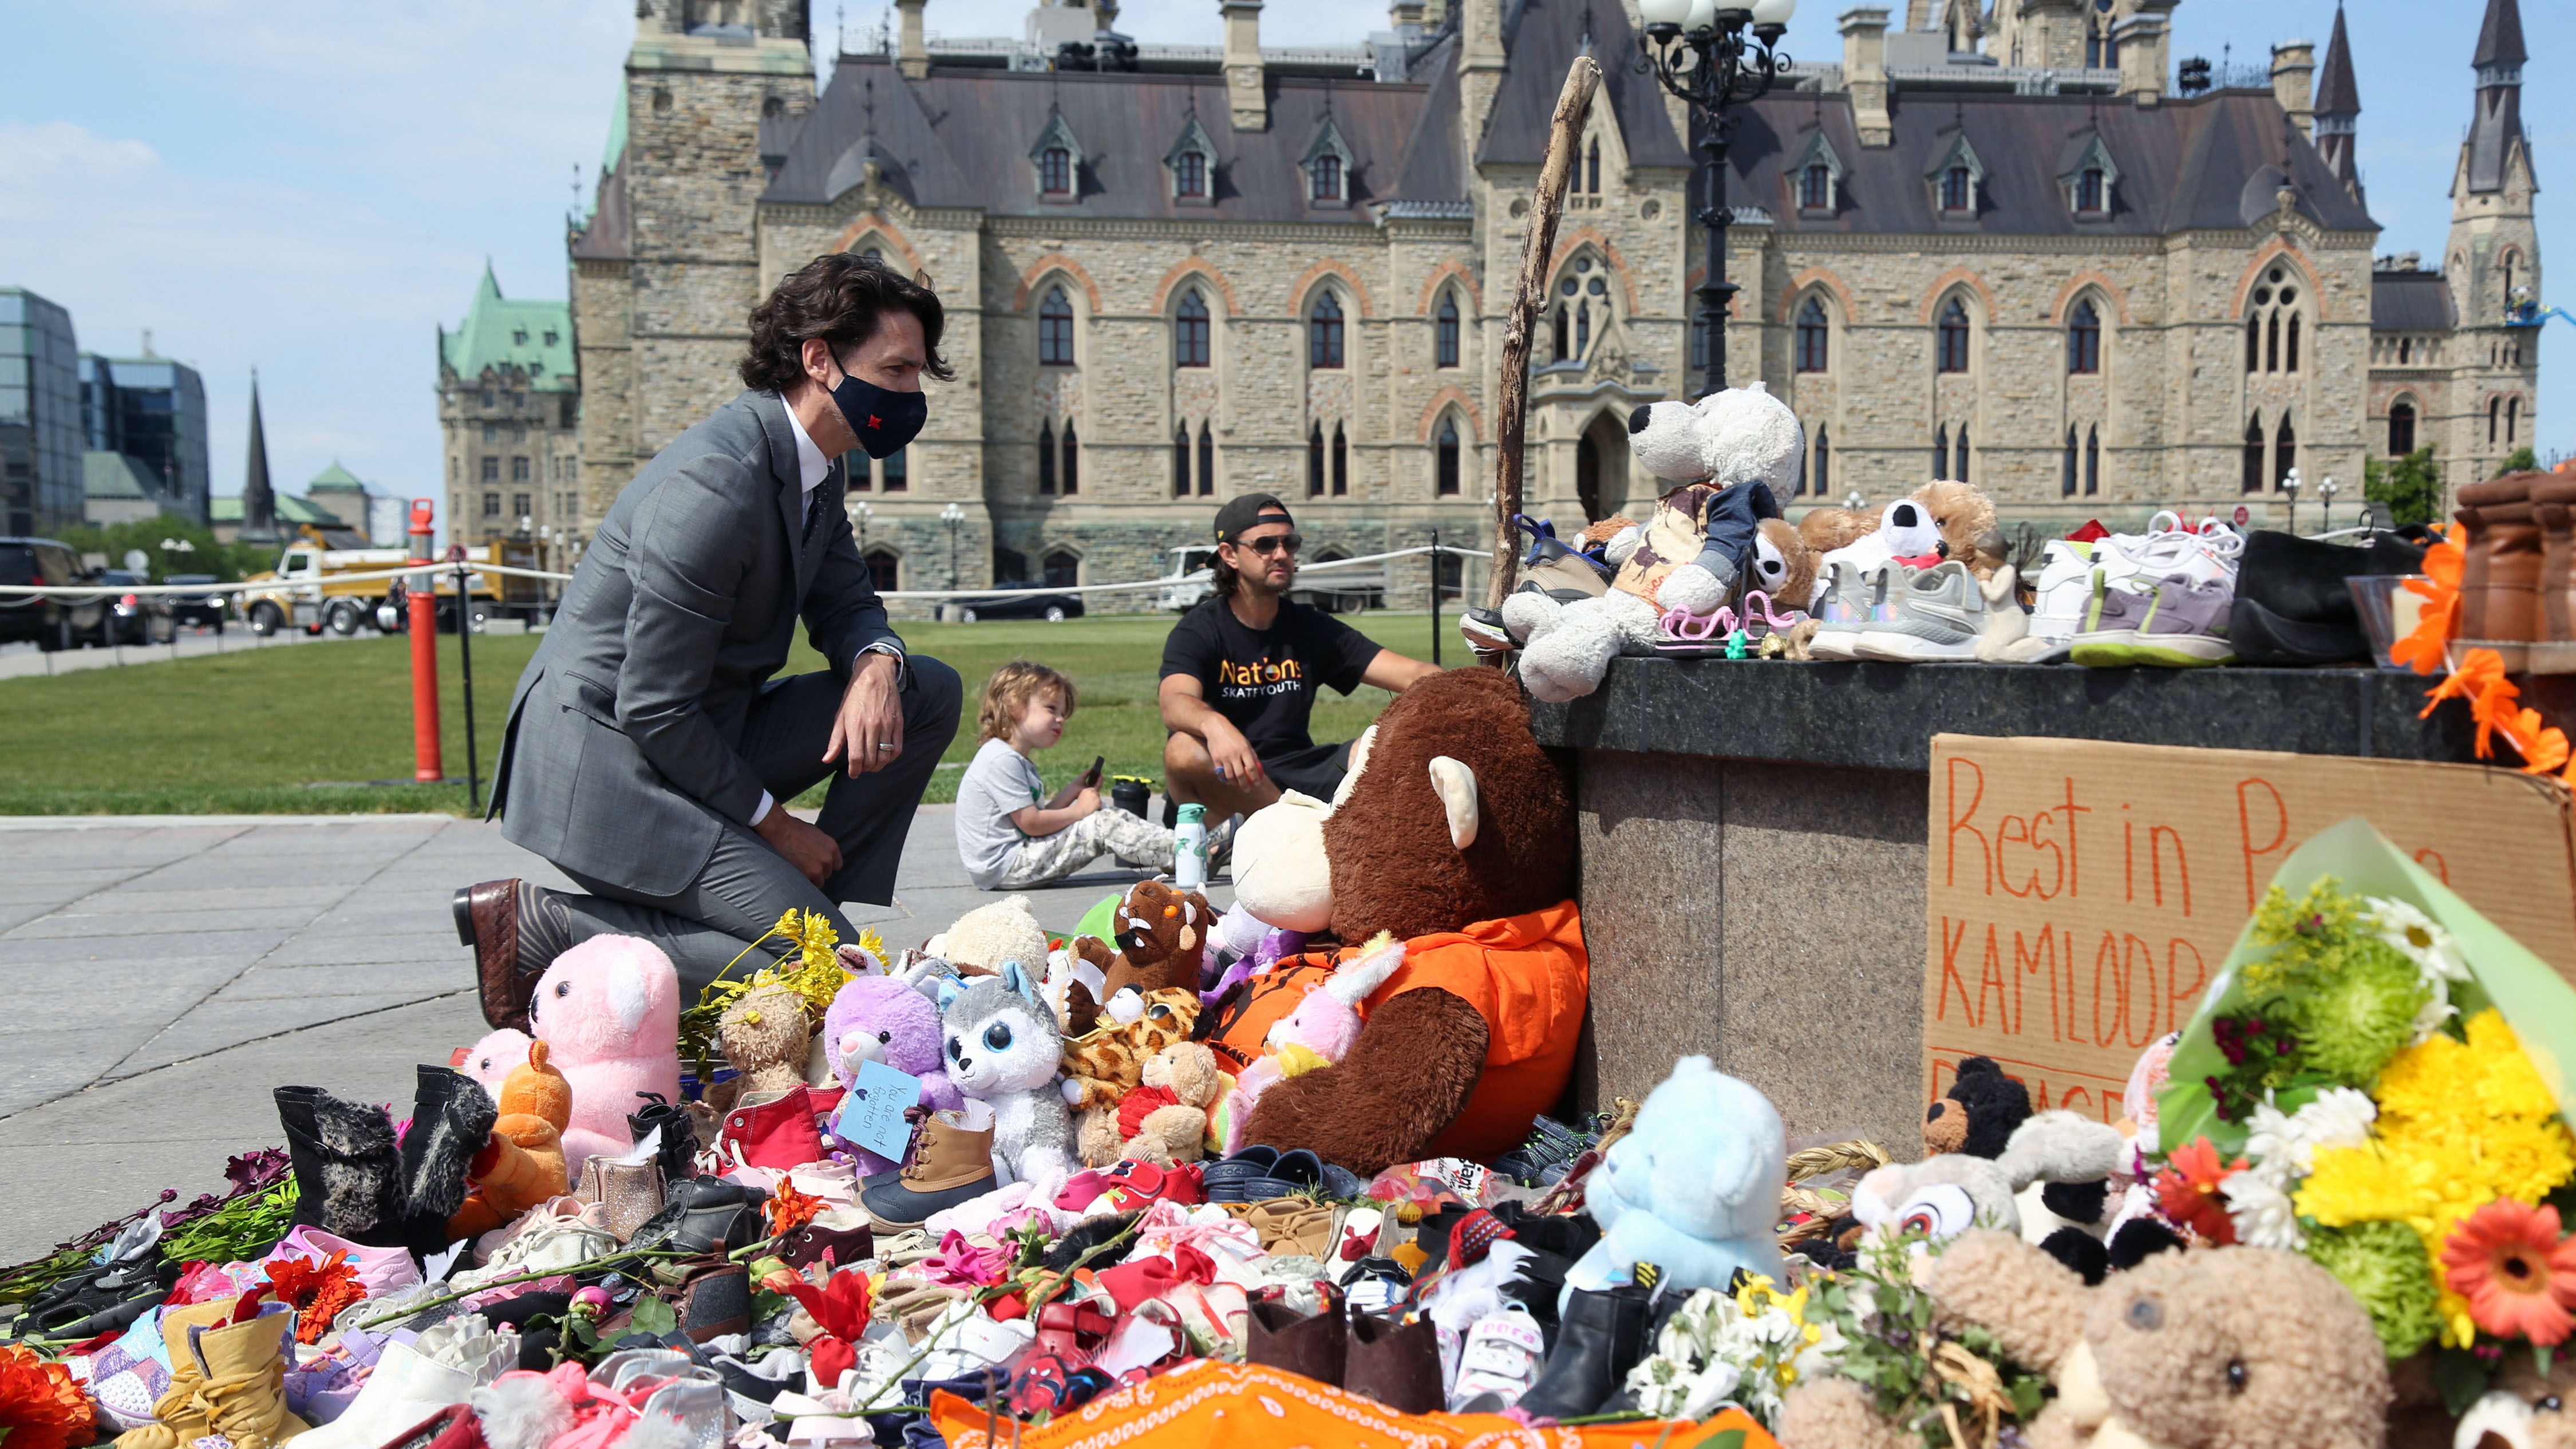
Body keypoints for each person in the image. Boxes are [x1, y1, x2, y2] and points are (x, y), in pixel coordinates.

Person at [455, 252, 965, 1022]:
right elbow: (653, 706)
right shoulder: (716, 484)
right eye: (895, 370)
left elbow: (847, 602)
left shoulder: (819, 467)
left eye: (917, 373)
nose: (910, 394)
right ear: (819, 359)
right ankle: (543, 927)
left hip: (701, 731)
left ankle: (812, 902)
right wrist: (778, 827)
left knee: (925, 688)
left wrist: (875, 663)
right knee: (819, 973)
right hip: (610, 767)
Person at [1159, 493, 1441, 822]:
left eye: (1289, 543)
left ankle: (1291, 829)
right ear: (1229, 554)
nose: (1281, 554)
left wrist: (1468, 692)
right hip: (1229, 776)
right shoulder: (1198, 630)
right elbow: (1174, 702)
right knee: (1183, 750)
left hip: (1299, 769)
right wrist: (1215, 725)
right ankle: (1291, 829)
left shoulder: (1310, 626)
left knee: (1381, 742)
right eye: (1265, 544)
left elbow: (1414, 674)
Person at [955, 661, 1179, 891]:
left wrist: (1072, 792)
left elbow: (1038, 819)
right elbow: (1032, 824)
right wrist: (1080, 811)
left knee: (1104, 815)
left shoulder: (1012, 758)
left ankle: (1176, 849)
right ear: (1015, 705)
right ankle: (1186, 852)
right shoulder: (1001, 760)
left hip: (1013, 861)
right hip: (1007, 866)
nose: (1061, 719)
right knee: (1100, 825)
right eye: (1051, 709)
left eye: (1063, 713)